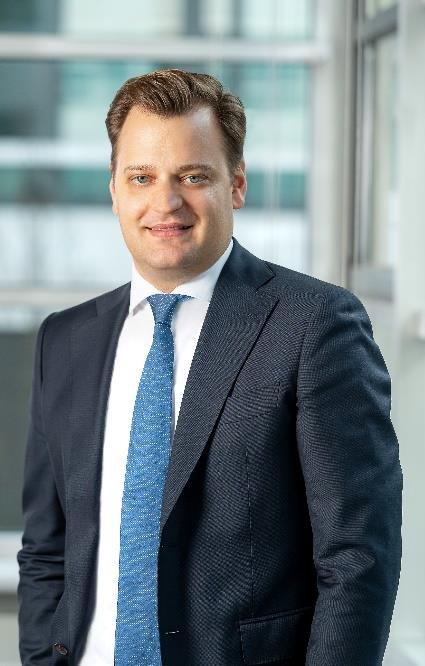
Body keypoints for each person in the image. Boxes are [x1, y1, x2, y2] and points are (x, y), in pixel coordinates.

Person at [17, 69, 402, 666]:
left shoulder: (314, 323)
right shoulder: (66, 340)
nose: (165, 203)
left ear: (237, 185)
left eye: (193, 176)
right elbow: (47, 548)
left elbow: (357, 556)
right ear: (114, 189)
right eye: (141, 177)